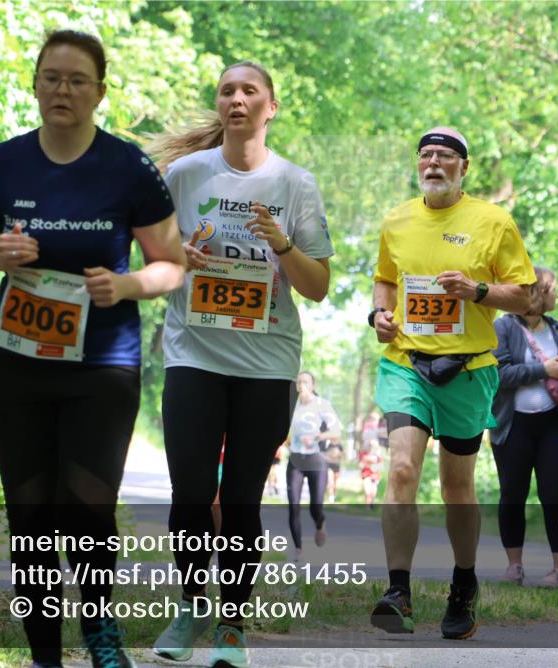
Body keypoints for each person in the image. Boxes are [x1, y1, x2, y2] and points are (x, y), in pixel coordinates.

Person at [0, 30, 185, 668]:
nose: (63, 90)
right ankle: (44, 653)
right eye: (52, 77)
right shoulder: (2, 166)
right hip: (18, 367)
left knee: (87, 509)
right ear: (34, 84)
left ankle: (101, 637)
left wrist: (126, 284)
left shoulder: (129, 168)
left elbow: (173, 268)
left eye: (78, 80)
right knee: (30, 517)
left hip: (100, 367)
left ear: (99, 93)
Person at [148, 61, 333, 668]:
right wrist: (182, 258)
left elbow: (319, 286)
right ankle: (190, 605)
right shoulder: (184, 175)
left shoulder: (295, 184)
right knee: (191, 493)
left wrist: (281, 244)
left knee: (243, 497)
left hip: (267, 364)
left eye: (249, 90)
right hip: (193, 353)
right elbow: (153, 262)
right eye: (227, 90)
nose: (237, 99)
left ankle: (232, 624)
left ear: (270, 107)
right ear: (220, 104)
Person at [368, 127, 534, 639]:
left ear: (464, 168)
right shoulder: (397, 219)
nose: (433, 163)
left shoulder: (492, 221)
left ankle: (464, 584)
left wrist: (478, 289)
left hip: (467, 368)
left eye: (444, 156)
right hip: (406, 363)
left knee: (457, 487)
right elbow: (385, 280)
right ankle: (399, 590)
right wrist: (379, 313)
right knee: (400, 470)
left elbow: (524, 296)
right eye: (425, 156)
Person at [492, 267, 558, 587]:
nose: (557, 294)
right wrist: (543, 369)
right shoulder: (503, 327)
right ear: (537, 292)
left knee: (554, 494)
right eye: (553, 288)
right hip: (513, 423)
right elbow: (499, 375)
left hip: (554, 424)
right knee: (512, 494)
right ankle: (514, 566)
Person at [286, 371, 342, 561]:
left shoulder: (322, 405)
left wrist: (317, 437)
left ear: (313, 385)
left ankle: (320, 523)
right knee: (293, 505)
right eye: (299, 382)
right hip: (295, 460)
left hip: (316, 460)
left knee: (315, 507)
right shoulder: (292, 404)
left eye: (306, 382)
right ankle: (298, 549)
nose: (302, 385)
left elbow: (336, 432)